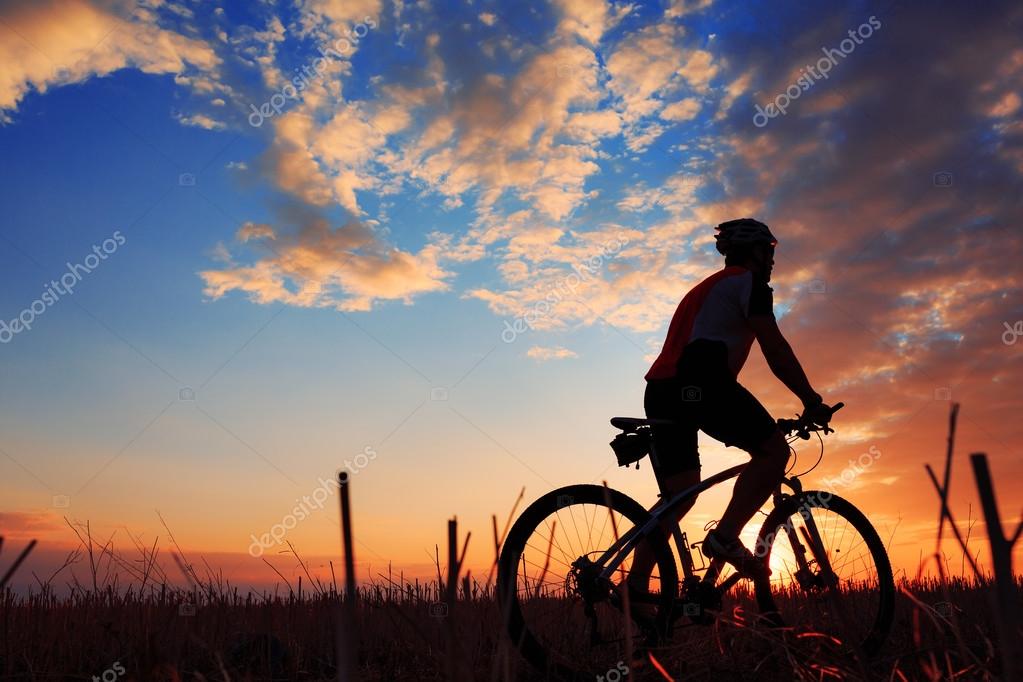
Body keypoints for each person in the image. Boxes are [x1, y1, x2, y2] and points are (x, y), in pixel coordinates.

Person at [630, 218, 835, 586]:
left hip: (662, 392)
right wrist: (810, 399)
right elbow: (775, 348)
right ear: (752, 252)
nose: (771, 260)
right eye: (768, 251)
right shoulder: (750, 284)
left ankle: (636, 595)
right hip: (701, 384)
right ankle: (724, 538)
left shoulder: (707, 288)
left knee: (679, 497)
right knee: (773, 453)